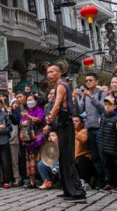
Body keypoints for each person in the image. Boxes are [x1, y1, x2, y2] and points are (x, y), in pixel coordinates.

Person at [45, 64, 86, 202]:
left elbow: (57, 105)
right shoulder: (58, 86)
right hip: (61, 124)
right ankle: (68, 190)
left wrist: (50, 118)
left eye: (52, 72)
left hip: (66, 123)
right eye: (48, 72)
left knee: (68, 158)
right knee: (62, 158)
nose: (49, 74)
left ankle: (77, 191)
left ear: (59, 73)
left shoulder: (61, 85)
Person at [76, 72, 106, 188]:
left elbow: (103, 108)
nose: (88, 82)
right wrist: (75, 98)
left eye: (90, 80)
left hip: (100, 128)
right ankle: (100, 180)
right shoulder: (85, 96)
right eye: (86, 80)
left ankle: (106, 180)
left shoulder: (101, 94)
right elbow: (79, 110)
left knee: (102, 155)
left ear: (96, 81)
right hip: (89, 128)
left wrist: (91, 98)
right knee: (95, 156)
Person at [98, 95, 117, 191]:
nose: (107, 106)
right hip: (103, 145)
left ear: (115, 106)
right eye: (106, 104)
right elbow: (101, 130)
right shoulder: (102, 116)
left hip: (114, 146)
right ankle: (110, 183)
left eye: (110, 104)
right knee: (107, 166)